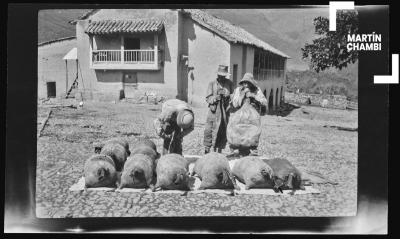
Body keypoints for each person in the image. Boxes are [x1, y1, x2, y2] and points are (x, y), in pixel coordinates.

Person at [229, 73, 268, 156]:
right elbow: (235, 104)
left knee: (254, 130)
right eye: (244, 83)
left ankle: (253, 149)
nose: (246, 85)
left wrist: (254, 96)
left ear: (251, 83)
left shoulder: (257, 90)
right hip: (240, 114)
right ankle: (235, 148)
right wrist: (242, 95)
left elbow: (264, 102)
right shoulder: (238, 90)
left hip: (253, 114)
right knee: (234, 127)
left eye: (248, 82)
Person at [203, 65, 234, 154]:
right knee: (209, 130)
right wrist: (215, 98)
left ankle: (219, 152)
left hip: (224, 111)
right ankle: (207, 151)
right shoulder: (212, 84)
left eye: (223, 76)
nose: (222, 77)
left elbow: (233, 96)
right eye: (220, 76)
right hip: (213, 111)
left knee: (222, 130)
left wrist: (227, 96)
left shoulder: (229, 84)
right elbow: (207, 98)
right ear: (217, 75)